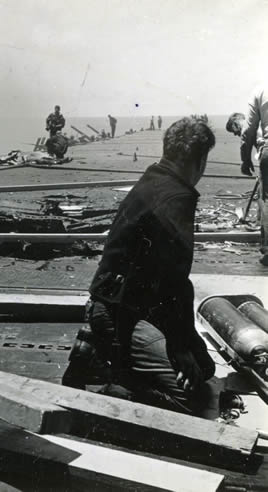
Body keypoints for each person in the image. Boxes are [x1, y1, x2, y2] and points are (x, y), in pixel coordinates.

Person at [62, 117, 217, 415]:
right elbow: (176, 282)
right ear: (199, 160)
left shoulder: (153, 178)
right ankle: (116, 380)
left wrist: (181, 343)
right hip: (120, 315)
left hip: (113, 305)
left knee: (205, 367)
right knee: (191, 398)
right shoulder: (178, 198)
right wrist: (179, 347)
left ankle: (102, 355)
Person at [226, 88, 268, 265]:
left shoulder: (260, 93)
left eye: (235, 132)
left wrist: (245, 161)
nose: (237, 134)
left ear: (236, 124)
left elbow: (247, 132)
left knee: (265, 203)